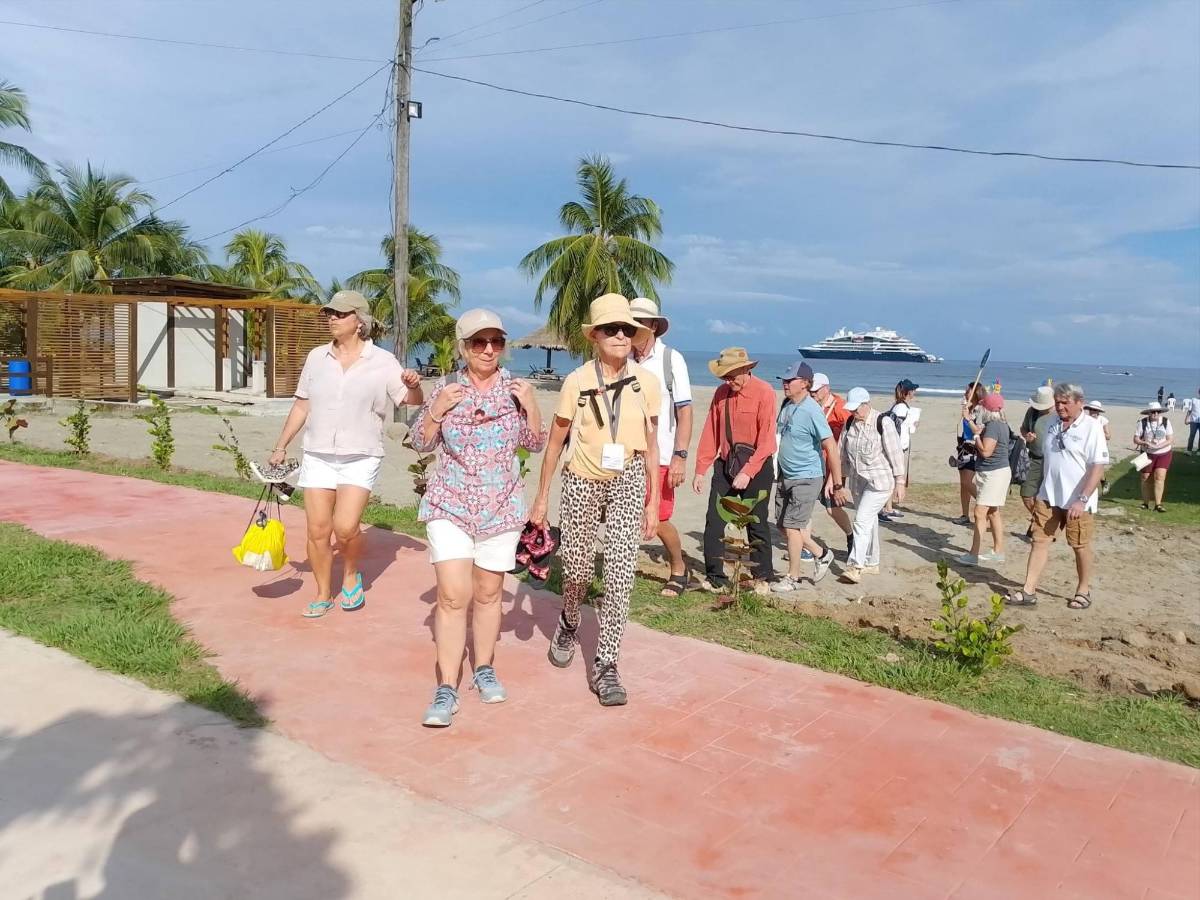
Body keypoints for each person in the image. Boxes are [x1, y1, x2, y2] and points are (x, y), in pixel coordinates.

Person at [410, 310, 546, 727]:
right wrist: (435, 410)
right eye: (478, 342)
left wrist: (532, 406)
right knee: (452, 596)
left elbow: (535, 444)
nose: (488, 350)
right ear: (462, 346)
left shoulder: (517, 389)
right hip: (449, 506)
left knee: (488, 594)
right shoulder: (446, 388)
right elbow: (419, 444)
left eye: (496, 342)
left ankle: (483, 667)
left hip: (501, 509)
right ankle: (446, 687)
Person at [531, 294, 660, 707]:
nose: (620, 335)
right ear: (595, 336)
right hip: (583, 479)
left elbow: (653, 444)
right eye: (611, 329)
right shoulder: (577, 382)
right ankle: (570, 617)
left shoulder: (647, 384)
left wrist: (653, 501)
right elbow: (554, 443)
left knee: (621, 574)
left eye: (626, 329)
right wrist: (541, 499)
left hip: (629, 479)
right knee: (578, 569)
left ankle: (606, 663)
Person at [268, 290, 423, 618]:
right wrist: (281, 446)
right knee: (317, 530)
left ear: (359, 321)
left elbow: (410, 401)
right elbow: (302, 404)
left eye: (340, 314)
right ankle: (323, 593)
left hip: (361, 455)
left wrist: (413, 384)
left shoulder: (382, 361)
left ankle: (351, 573)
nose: (332, 319)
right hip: (318, 454)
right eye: (330, 313)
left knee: (346, 527)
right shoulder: (316, 358)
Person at [1006, 383, 1109, 610]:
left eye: (1065, 402)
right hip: (1049, 495)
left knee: (1079, 545)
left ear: (1079, 403)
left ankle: (1083, 589)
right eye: (1058, 402)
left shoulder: (1091, 427)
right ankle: (1028, 590)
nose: (1060, 407)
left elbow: (1097, 467)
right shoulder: (1050, 422)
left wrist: (1082, 500)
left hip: (1078, 500)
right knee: (1039, 540)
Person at [693, 347, 777, 591]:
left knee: (757, 522)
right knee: (715, 519)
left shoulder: (765, 392)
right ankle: (715, 577)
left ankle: (762, 577)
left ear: (746, 369)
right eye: (724, 376)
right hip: (726, 464)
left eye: (732, 375)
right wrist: (701, 468)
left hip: (757, 466)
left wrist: (748, 471)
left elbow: (767, 441)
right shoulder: (721, 393)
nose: (728, 380)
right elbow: (711, 431)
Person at [629, 297, 693, 598]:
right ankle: (622, 576)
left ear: (653, 326)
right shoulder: (622, 358)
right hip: (625, 454)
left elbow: (685, 411)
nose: (632, 328)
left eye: (639, 322)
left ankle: (678, 566)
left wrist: (680, 456)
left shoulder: (670, 360)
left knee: (661, 516)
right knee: (624, 514)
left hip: (663, 454)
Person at [770, 362, 841, 593]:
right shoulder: (787, 405)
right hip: (785, 475)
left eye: (790, 380)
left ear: (805, 384)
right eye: (784, 379)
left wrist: (837, 483)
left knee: (792, 528)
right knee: (782, 525)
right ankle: (822, 554)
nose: (785, 383)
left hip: (807, 477)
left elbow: (830, 445)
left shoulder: (812, 410)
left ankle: (793, 577)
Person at [838, 388, 905, 584]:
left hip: (880, 482)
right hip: (858, 482)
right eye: (851, 409)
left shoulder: (882, 422)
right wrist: (839, 482)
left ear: (866, 404)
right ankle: (872, 562)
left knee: (861, 520)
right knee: (869, 521)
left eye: (856, 408)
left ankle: (855, 566)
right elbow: (842, 455)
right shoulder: (850, 423)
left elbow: (895, 454)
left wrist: (900, 483)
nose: (853, 412)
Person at [958, 393, 1011, 567]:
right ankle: (998, 551)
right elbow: (979, 431)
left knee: (980, 512)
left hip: (994, 474)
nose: (980, 409)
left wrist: (975, 437)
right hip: (995, 472)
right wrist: (968, 420)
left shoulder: (994, 426)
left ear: (987, 409)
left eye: (982, 407)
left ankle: (974, 554)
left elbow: (986, 451)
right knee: (993, 512)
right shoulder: (998, 424)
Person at [811, 372, 855, 557]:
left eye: (815, 390)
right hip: (812, 464)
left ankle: (852, 536)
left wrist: (833, 478)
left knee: (832, 508)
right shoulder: (810, 405)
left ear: (826, 388)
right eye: (810, 390)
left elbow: (843, 446)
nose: (812, 393)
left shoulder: (841, 409)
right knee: (804, 505)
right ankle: (805, 545)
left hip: (832, 467)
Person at [880, 378, 920, 522]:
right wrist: (912, 425)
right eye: (913, 390)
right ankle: (886, 509)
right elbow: (897, 427)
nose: (914, 392)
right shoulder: (901, 408)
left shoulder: (898, 405)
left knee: (892, 475)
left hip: (897, 445)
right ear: (908, 392)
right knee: (893, 476)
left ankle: (888, 507)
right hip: (897, 446)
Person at [1019, 386, 1055, 540]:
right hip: (1033, 458)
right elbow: (1023, 429)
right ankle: (1042, 522)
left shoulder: (1058, 415)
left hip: (1052, 461)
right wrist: (1027, 436)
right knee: (1026, 494)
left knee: (1045, 498)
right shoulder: (1032, 412)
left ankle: (1039, 527)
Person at [953, 382, 987, 525]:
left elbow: (978, 430)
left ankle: (986, 507)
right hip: (963, 446)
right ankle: (965, 515)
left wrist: (968, 417)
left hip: (973, 449)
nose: (965, 392)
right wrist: (965, 408)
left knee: (967, 482)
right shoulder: (969, 407)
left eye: (968, 390)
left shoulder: (980, 410)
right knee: (963, 484)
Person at [1134, 401, 1174, 513]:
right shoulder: (1142, 422)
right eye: (1152, 412)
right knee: (1145, 478)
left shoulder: (1166, 421)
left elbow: (1170, 439)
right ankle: (1145, 503)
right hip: (1146, 454)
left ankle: (1158, 504)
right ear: (1148, 413)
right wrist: (1143, 442)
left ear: (1160, 412)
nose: (1155, 414)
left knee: (1159, 478)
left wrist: (1158, 446)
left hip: (1164, 453)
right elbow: (1136, 439)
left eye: (1157, 411)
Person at [1083, 400, 1112, 495]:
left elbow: (1108, 436)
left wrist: (1098, 431)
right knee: (1089, 467)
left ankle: (1102, 483)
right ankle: (1100, 483)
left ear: (1098, 411)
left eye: (1095, 410)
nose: (1093, 412)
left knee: (1097, 467)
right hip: (1087, 446)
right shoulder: (1085, 419)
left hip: (1100, 447)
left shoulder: (1102, 420)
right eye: (1091, 409)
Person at [1186, 388, 1200, 454]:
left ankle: (1199, 450)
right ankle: (1189, 450)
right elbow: (1189, 410)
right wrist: (1186, 419)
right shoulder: (1194, 400)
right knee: (1192, 435)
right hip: (1193, 421)